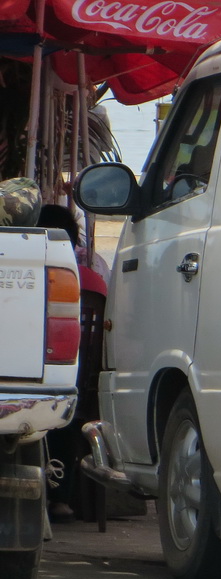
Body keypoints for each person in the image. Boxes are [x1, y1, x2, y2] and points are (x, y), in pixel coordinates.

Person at [35, 204, 110, 522]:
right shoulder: (95, 281)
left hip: (41, 376)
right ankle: (60, 497)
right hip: (85, 382)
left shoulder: (31, 275)